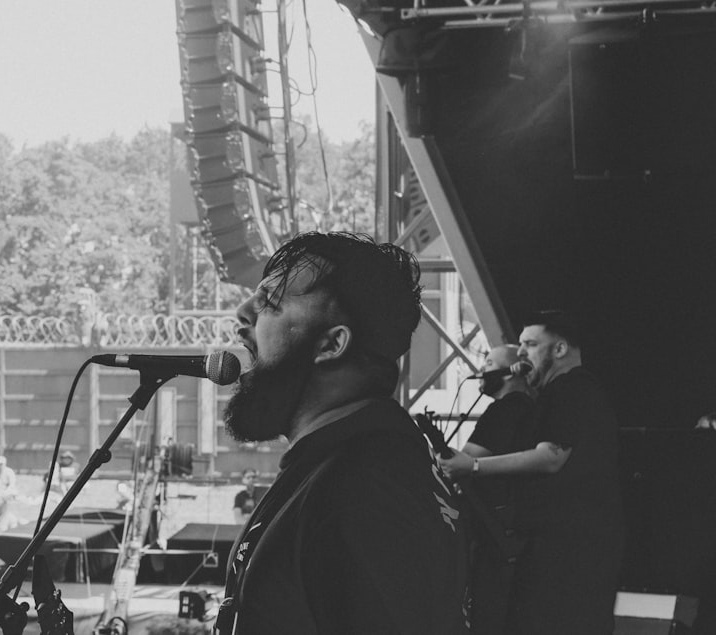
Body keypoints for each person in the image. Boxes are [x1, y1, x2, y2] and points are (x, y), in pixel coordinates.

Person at [215, 232, 469, 635]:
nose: (243, 315)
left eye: (270, 304)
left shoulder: (366, 492)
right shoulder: (350, 463)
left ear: (332, 344)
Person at [439, 310, 623, 635]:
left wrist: (475, 466)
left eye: (530, 344)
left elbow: (550, 458)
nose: (521, 352)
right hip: (563, 549)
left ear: (560, 349)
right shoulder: (558, 394)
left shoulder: (572, 390)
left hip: (570, 553)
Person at [456, 344, 537, 635]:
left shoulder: (505, 408)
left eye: (490, 363)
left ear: (510, 371)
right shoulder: (531, 407)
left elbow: (470, 456)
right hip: (513, 524)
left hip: (492, 528)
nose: (482, 370)